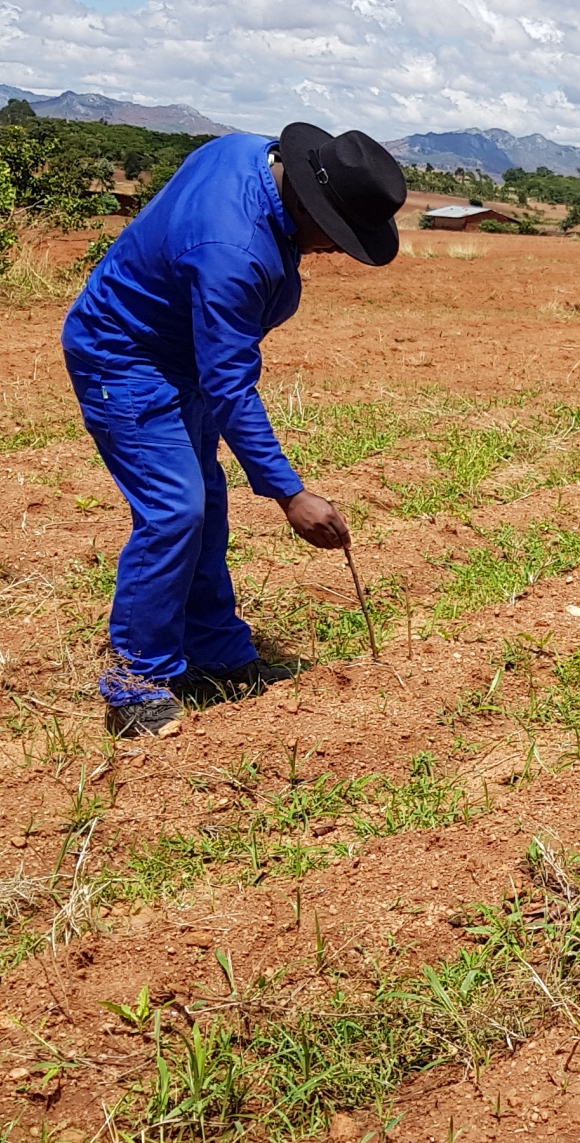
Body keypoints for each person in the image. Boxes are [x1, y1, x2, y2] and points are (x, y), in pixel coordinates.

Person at [61, 125, 405, 738]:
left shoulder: (248, 152)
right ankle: (135, 682)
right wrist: (290, 494)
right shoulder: (233, 252)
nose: (332, 250)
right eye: (337, 234)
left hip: (180, 354)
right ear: (307, 203)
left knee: (205, 507)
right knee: (174, 511)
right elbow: (228, 385)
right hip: (125, 357)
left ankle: (215, 655)